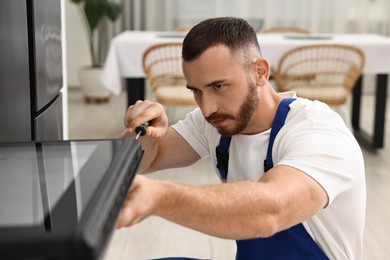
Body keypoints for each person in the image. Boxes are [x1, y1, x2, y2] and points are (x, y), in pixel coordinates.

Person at [117, 17, 366, 259]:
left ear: (260, 72)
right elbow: (147, 159)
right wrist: (148, 136)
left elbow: (271, 211)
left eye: (219, 86)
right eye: (196, 91)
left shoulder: (317, 130)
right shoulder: (216, 121)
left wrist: (161, 196)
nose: (207, 108)